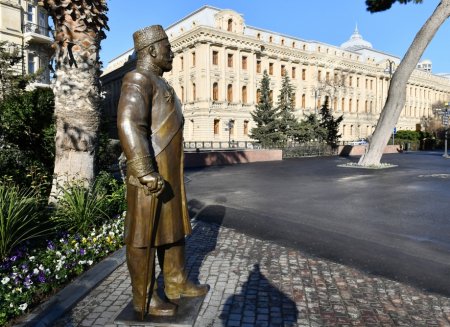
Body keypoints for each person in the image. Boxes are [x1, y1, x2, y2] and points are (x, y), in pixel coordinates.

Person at [117, 25, 207, 317]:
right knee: (143, 236)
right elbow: (130, 124)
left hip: (168, 174)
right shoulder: (137, 79)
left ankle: (176, 282)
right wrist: (144, 170)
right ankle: (143, 298)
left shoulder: (159, 82)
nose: (172, 52)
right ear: (152, 50)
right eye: (168, 47)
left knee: (173, 228)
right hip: (149, 176)